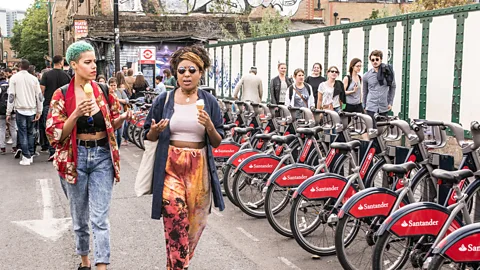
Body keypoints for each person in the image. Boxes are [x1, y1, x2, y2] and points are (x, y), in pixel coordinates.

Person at [46, 41, 132, 270]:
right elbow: (55, 135)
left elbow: (110, 121)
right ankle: (85, 262)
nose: (94, 66)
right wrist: (75, 114)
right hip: (75, 158)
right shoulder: (61, 94)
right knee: (80, 219)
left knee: (100, 219)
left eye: (94, 61)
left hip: (102, 155)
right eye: (88, 62)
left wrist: (121, 119)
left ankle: (101, 266)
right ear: (74, 65)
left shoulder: (103, 90)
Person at [143, 45, 225, 270]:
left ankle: (174, 266)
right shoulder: (164, 100)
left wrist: (209, 126)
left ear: (201, 72)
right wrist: (155, 131)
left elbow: (217, 141)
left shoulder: (209, 102)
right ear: (175, 73)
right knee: (175, 221)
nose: (186, 75)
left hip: (199, 170)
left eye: (192, 70)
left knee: (193, 229)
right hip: (171, 167)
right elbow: (147, 134)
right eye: (181, 71)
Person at [6, 59, 43, 165]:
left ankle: (26, 156)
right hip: (32, 109)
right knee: (31, 133)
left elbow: (11, 96)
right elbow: (39, 96)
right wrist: (39, 110)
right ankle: (30, 154)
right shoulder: (34, 79)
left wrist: (8, 111)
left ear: (19, 67)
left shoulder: (14, 78)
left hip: (20, 109)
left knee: (22, 133)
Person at [40, 55, 72, 160]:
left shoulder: (46, 75)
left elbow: (42, 90)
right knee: (63, 127)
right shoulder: (66, 76)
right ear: (61, 63)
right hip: (63, 105)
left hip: (48, 103)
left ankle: (52, 150)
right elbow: (70, 91)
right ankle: (61, 149)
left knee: (50, 127)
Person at [363, 50, 396, 126]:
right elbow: (365, 92)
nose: (375, 61)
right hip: (371, 106)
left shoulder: (389, 72)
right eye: (372, 60)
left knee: (381, 130)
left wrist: (390, 102)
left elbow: (393, 87)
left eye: (377, 59)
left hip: (383, 106)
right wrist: (364, 105)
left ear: (381, 60)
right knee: (372, 130)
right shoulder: (366, 75)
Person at [0, 71, 18, 155]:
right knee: (13, 128)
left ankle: (2, 147)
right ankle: (15, 147)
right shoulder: (10, 86)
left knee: (2, 128)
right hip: (12, 109)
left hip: (1, 111)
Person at [109, 77, 129, 147]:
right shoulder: (108, 92)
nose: (113, 87)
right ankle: (115, 148)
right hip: (112, 116)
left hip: (121, 114)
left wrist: (118, 99)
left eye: (114, 85)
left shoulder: (120, 92)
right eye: (111, 85)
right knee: (114, 134)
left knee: (120, 134)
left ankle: (119, 147)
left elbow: (126, 100)